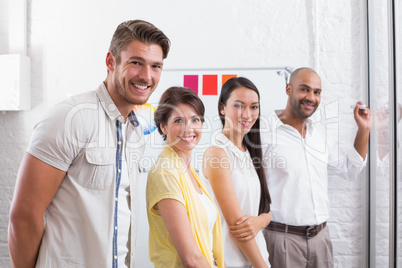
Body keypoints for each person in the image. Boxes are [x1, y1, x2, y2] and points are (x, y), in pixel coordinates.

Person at [8, 20, 170, 268]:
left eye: (155, 66)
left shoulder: (136, 133)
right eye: (136, 62)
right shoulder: (69, 118)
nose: (146, 76)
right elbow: (24, 217)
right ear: (110, 61)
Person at [261, 67, 372, 268]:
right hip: (282, 239)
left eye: (317, 92)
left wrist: (364, 130)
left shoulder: (319, 134)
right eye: (304, 89)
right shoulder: (264, 132)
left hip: (321, 238)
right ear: (288, 89)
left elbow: (350, 169)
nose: (311, 97)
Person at [146, 87, 224, 268]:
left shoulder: (188, 171)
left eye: (195, 119)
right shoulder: (165, 172)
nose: (188, 128)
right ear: (163, 127)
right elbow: (191, 259)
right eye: (178, 120)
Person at [203, 77, 271, 268]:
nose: (247, 114)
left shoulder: (249, 151)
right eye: (239, 106)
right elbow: (237, 226)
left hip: (258, 257)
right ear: (222, 108)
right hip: (231, 262)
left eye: (254, 107)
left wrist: (262, 220)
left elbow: (264, 209)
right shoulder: (217, 153)